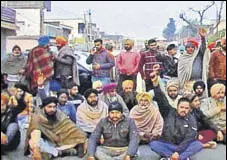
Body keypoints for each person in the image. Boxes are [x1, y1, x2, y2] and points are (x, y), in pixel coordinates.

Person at [149, 72, 203, 160]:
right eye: (181, 107)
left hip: (183, 146)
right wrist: (155, 85)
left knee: (198, 144)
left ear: (189, 109)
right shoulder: (169, 111)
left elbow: (190, 137)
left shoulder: (191, 118)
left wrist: (178, 152)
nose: (184, 110)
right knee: (153, 144)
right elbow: (160, 99)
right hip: (169, 144)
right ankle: (181, 157)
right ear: (177, 107)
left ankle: (171, 157)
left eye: (186, 108)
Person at [178, 28, 209, 93]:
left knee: (200, 98)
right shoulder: (182, 57)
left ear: (195, 48)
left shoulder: (198, 54)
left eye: (192, 47)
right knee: (189, 98)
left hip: (199, 81)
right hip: (187, 83)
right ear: (186, 48)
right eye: (188, 47)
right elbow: (180, 72)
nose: (190, 49)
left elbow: (203, 48)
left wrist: (203, 38)